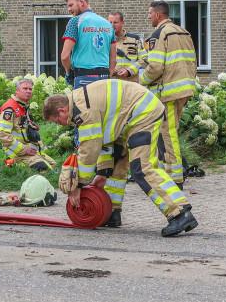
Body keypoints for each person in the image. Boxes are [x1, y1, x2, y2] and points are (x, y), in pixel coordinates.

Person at [42, 81, 198, 237]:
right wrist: (102, 174)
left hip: (142, 114)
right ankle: (111, 212)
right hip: (128, 118)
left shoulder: (82, 111)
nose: (61, 124)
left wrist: (79, 185)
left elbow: (90, 149)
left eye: (57, 121)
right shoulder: (79, 102)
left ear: (62, 110)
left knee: (143, 169)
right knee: (116, 165)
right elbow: (105, 143)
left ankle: (180, 212)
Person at [139, 1, 198, 189]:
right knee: (171, 133)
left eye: (149, 13)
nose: (148, 16)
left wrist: (142, 81)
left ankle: (175, 179)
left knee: (167, 135)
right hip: (184, 89)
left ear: (158, 15)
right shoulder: (183, 32)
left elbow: (155, 67)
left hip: (168, 93)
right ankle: (171, 173)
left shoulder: (158, 34)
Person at [0, 78, 56, 172]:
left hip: (28, 149)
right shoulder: (10, 108)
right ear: (17, 91)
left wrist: (32, 127)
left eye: (30, 89)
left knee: (53, 165)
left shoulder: (23, 106)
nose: (28, 91)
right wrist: (24, 149)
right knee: (44, 169)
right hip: (16, 152)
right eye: (25, 88)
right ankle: (11, 162)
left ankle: (18, 165)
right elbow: (1, 134)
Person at [60, 0, 116, 91]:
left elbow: (64, 56)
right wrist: (108, 75)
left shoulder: (75, 21)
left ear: (82, 2)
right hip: (104, 77)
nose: (69, 9)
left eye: (71, 5)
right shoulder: (108, 24)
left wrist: (69, 73)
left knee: (83, 107)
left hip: (83, 77)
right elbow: (113, 59)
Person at [108, 11, 146, 82]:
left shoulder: (135, 39)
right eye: (110, 22)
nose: (112, 25)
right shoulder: (106, 41)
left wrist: (129, 71)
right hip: (112, 84)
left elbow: (144, 59)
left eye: (115, 22)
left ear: (122, 22)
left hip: (131, 85)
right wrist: (111, 70)